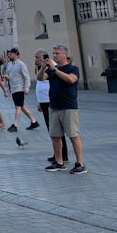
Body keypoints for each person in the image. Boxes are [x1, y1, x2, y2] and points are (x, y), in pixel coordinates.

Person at [38, 45, 85, 174]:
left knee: (73, 135)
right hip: (54, 106)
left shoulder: (73, 68)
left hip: (68, 107)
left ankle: (80, 163)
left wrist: (55, 70)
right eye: (53, 53)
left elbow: (71, 80)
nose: (54, 56)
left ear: (65, 55)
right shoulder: (51, 69)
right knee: (55, 135)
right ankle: (59, 162)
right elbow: (40, 78)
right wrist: (43, 67)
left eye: (57, 53)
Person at [35, 48, 68, 164]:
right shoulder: (41, 67)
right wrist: (39, 101)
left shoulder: (52, 66)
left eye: (37, 57)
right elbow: (40, 81)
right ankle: (57, 154)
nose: (36, 60)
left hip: (50, 100)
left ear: (44, 57)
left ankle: (62, 156)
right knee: (52, 130)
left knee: (56, 130)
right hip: (44, 101)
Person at [5, 48, 38, 132]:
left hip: (19, 88)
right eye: (9, 54)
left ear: (16, 54)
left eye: (11, 54)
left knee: (18, 106)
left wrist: (26, 88)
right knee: (21, 106)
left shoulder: (21, 64)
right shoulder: (9, 64)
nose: (9, 55)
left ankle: (15, 125)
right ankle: (34, 121)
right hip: (13, 88)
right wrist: (7, 78)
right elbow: (10, 75)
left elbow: (27, 77)